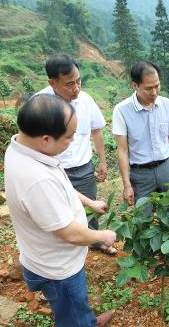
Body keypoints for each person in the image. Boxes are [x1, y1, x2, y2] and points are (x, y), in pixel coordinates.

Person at [4, 94, 126, 327]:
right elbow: (68, 233)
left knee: (77, 301)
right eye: (69, 137)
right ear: (46, 138)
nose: (72, 142)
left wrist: (88, 202)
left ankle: (88, 322)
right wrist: (102, 236)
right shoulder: (34, 178)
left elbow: (61, 188)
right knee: (69, 309)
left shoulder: (26, 148)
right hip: (56, 266)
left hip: (58, 258)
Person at [35, 54, 116, 255]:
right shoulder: (39, 105)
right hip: (52, 168)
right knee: (56, 211)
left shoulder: (86, 100)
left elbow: (96, 131)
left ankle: (95, 240)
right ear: (52, 83)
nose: (76, 88)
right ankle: (61, 248)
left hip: (82, 167)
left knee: (90, 207)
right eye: (69, 84)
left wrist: (102, 162)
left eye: (79, 81)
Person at [112, 61, 169, 205]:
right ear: (135, 86)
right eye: (149, 88)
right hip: (140, 174)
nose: (154, 92)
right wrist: (127, 185)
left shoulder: (167, 105)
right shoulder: (122, 111)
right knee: (143, 218)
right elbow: (123, 150)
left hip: (166, 169)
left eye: (157, 86)